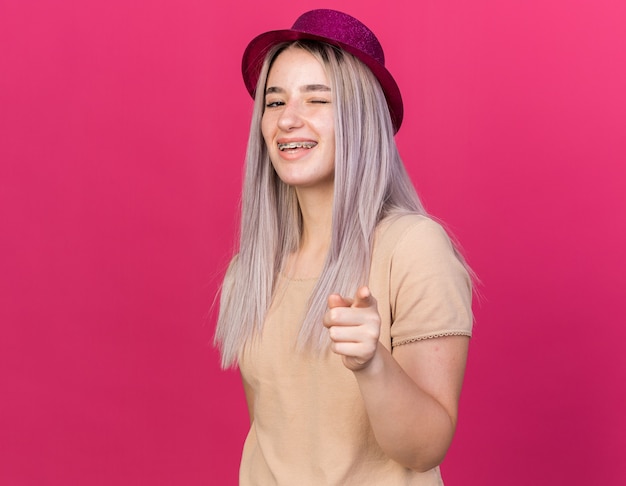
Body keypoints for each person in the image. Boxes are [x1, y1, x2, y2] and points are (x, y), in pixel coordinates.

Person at [215, 9, 473, 485]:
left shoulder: (413, 249)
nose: (288, 119)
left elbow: (424, 449)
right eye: (274, 102)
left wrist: (373, 363)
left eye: (317, 99)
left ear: (360, 118)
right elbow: (279, 442)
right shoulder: (247, 272)